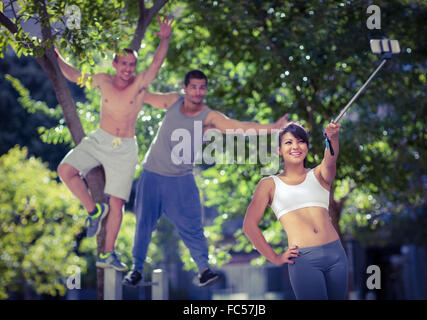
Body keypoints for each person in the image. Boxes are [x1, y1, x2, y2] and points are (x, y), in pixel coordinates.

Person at [123, 69, 291, 287]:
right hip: (152, 175)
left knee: (193, 227)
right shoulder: (173, 101)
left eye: (202, 87)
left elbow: (239, 128)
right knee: (144, 224)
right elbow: (142, 94)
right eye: (193, 86)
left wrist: (274, 128)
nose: (197, 91)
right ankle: (136, 269)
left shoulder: (209, 117)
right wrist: (124, 79)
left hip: (181, 180)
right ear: (185, 88)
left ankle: (203, 270)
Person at [56, 16, 174, 271]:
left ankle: (107, 253)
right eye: (124, 64)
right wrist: (55, 55)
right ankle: (93, 210)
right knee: (65, 171)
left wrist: (165, 39)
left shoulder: (139, 84)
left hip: (125, 147)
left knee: (118, 202)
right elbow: (75, 75)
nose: (128, 69)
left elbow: (155, 66)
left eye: (132, 64)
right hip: (99, 139)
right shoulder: (102, 80)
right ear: (115, 64)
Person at [242, 122, 349, 299]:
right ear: (279, 150)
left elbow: (330, 159)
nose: (295, 147)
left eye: (300, 141)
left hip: (336, 255)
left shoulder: (319, 175)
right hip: (305, 260)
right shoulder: (269, 184)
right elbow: (249, 226)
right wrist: (275, 258)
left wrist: (333, 138)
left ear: (306, 147)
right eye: (288, 142)